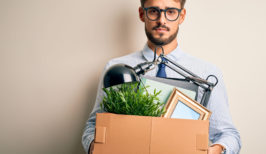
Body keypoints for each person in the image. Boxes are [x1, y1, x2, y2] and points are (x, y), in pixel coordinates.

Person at [82, 0, 242, 153]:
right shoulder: (116, 69)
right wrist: (95, 147)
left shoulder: (206, 73)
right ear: (142, 14)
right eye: (153, 11)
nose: (161, 20)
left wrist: (216, 150)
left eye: (171, 12)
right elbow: (93, 126)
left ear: (182, 15)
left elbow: (228, 135)